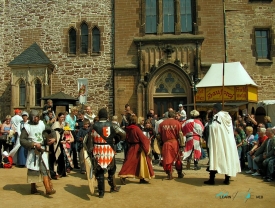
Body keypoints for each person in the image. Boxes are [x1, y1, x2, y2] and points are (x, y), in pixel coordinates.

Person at [20, 110, 57, 195]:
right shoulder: (26, 127)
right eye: (34, 117)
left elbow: (52, 131)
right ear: (31, 117)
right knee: (33, 170)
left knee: (44, 169)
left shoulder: (42, 124)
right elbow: (22, 140)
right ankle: (33, 188)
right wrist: (33, 144)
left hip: (42, 150)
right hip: (33, 151)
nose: (36, 119)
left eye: (37, 117)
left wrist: (54, 138)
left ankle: (48, 189)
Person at [204, 103, 241, 185]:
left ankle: (212, 179)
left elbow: (214, 127)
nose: (213, 110)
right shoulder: (228, 116)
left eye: (214, 109)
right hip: (228, 141)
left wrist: (208, 130)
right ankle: (227, 179)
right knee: (227, 157)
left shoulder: (217, 116)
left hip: (218, 141)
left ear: (216, 109)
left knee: (215, 158)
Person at [88, 108, 121, 198]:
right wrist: (116, 140)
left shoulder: (93, 126)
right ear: (107, 116)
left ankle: (101, 192)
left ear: (99, 116)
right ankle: (112, 186)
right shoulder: (112, 125)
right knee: (112, 169)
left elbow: (88, 138)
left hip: (97, 149)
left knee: (99, 171)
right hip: (109, 149)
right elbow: (123, 134)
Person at [119, 115, 155, 184]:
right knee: (135, 162)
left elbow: (125, 137)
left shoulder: (128, 128)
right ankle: (123, 176)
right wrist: (147, 144)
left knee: (133, 162)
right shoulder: (136, 128)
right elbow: (143, 138)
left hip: (131, 146)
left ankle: (142, 178)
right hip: (138, 147)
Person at [158, 110, 183, 179]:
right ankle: (179, 173)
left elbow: (159, 136)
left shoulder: (162, 124)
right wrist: (182, 145)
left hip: (166, 143)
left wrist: (160, 144)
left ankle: (169, 174)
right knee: (178, 158)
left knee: (167, 159)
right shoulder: (177, 123)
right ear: (174, 116)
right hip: (175, 142)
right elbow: (180, 135)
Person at [51, 112, 66, 178]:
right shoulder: (56, 124)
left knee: (61, 158)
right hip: (55, 143)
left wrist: (63, 140)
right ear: (58, 117)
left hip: (60, 143)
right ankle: (55, 173)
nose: (62, 118)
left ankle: (61, 172)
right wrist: (59, 142)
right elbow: (56, 135)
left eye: (63, 117)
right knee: (55, 157)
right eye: (61, 117)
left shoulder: (62, 124)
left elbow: (62, 134)